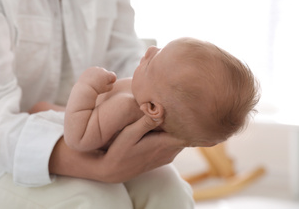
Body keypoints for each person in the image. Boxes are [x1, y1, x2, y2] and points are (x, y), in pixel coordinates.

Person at [0, 0, 195, 208]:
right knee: (96, 201)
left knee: (170, 193)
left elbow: (124, 57)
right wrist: (102, 168)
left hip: (98, 136)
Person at [51, 37, 259, 152]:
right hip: (87, 119)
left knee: (40, 109)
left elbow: (77, 139)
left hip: (67, 129)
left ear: (152, 108)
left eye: (151, 63)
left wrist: (85, 87)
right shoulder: (162, 112)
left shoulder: (125, 107)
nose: (149, 50)